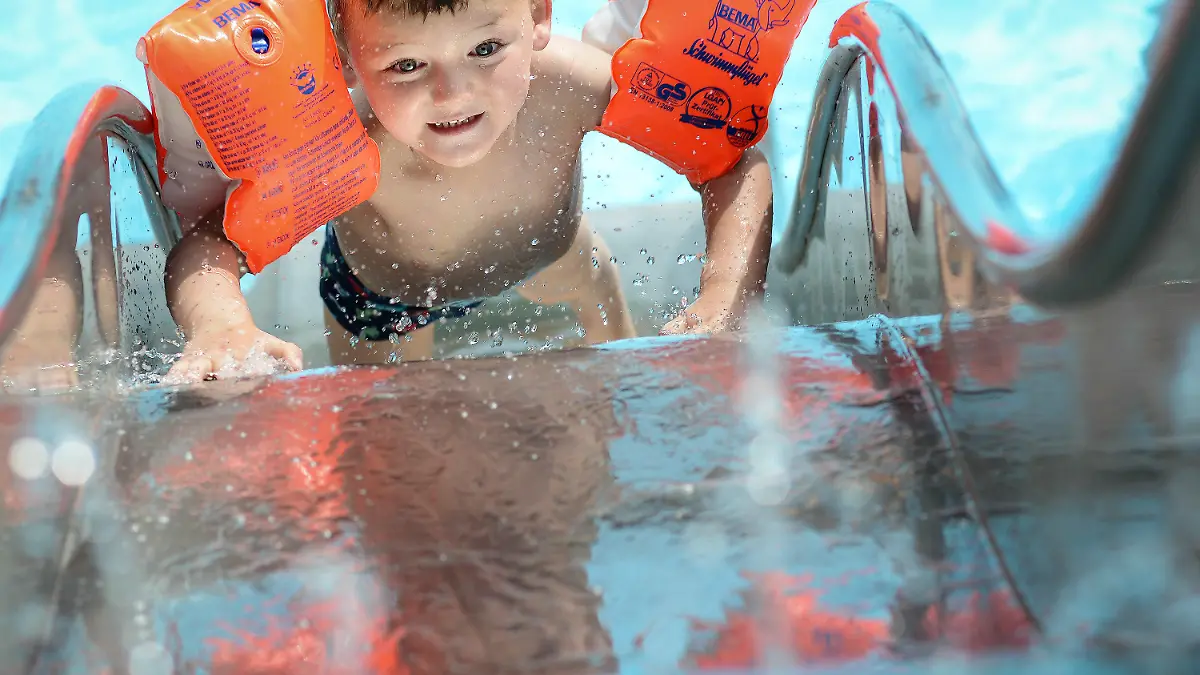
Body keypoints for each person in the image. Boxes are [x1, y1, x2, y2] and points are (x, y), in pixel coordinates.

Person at [163, 0, 774, 384]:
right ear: (344, 57)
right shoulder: (347, 140)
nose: (453, 94)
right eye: (406, 65)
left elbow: (729, 164)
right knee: (383, 444)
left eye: (485, 49)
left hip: (548, 253)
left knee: (618, 363)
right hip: (383, 300)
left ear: (538, 16)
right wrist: (221, 328)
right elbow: (211, 246)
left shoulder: (572, 85)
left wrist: (726, 295)